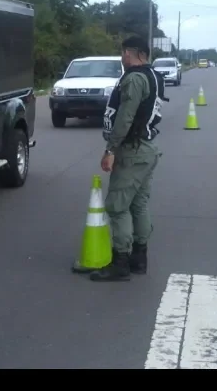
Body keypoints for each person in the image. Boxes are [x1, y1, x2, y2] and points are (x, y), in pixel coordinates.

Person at [91, 35, 166, 282]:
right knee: (139, 204)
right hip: (147, 149)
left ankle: (121, 261)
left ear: (132, 53)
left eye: (124, 53)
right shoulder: (153, 75)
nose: (122, 58)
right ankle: (139, 258)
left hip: (132, 151)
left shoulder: (134, 78)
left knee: (117, 206)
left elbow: (125, 117)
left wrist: (110, 150)